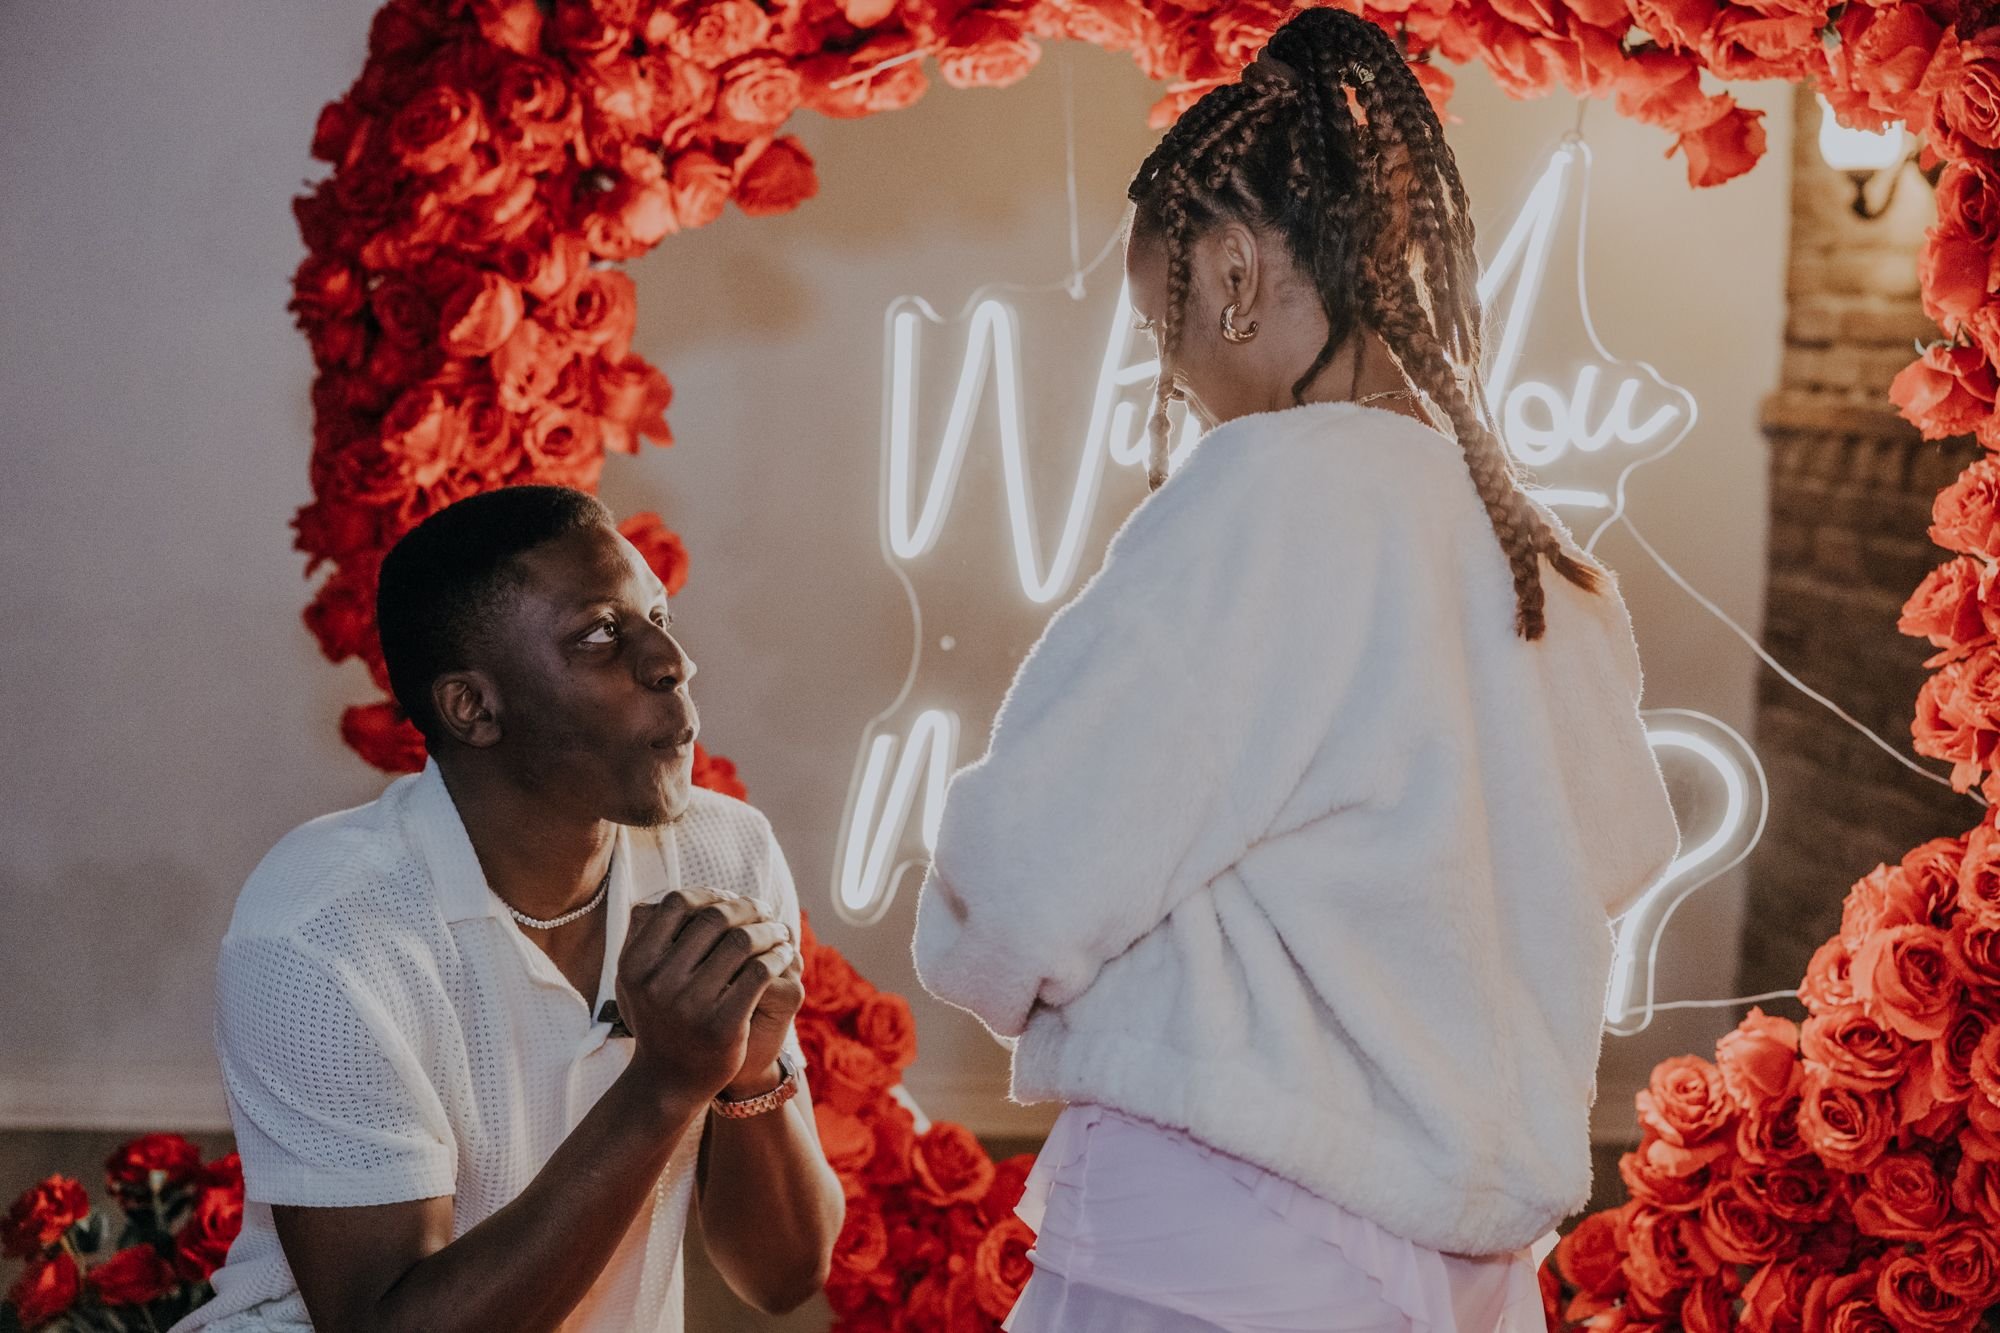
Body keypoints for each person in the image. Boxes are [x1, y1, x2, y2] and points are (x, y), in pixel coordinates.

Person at [910, 9, 1682, 1332]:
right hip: (1464, 1253)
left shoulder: (1268, 492)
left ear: (1231, 273)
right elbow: (1618, 847)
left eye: (1160, 325)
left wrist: (976, 953)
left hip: (1232, 1213)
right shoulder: (1531, 551)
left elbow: (1030, 873)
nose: (1173, 371)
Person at [174, 486, 843, 1333]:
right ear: (473, 706)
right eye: (601, 633)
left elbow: (783, 1277)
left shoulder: (725, 853)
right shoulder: (320, 929)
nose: (673, 660)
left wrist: (752, 1071)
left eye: (658, 616)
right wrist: (663, 1085)